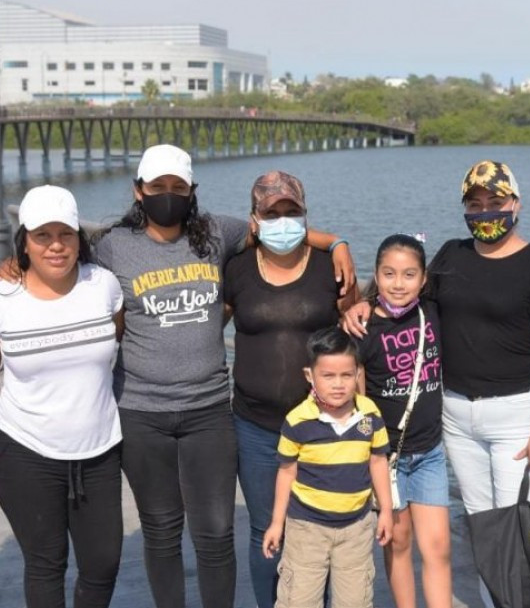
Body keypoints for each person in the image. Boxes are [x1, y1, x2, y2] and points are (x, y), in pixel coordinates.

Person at [90, 143, 356, 608]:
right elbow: (64, 259)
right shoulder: (114, 246)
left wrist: (336, 242)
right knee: (161, 528)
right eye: (158, 187)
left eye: (178, 187)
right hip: (141, 409)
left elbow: (280, 230)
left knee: (215, 532)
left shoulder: (217, 233)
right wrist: (14, 263)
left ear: (192, 191)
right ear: (138, 191)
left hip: (209, 409)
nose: (168, 195)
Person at [342, 161, 530, 608]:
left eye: (496, 202)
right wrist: (363, 305)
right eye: (475, 204)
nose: (486, 212)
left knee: (517, 527)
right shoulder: (451, 256)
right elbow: (404, 295)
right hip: (457, 415)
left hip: (517, 416)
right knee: (483, 526)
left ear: (516, 204)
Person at [0, 185, 125, 608]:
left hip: (99, 451)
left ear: (79, 238)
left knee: (103, 563)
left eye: (66, 234)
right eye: (43, 236)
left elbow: (115, 341)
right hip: (26, 451)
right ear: (25, 241)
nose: (56, 246)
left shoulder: (104, 286)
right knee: (45, 564)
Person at [222, 170, 356, 608]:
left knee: (328, 528)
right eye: (271, 212)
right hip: (256, 428)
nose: (283, 220)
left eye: (291, 211)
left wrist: (365, 419)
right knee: (267, 529)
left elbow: (356, 336)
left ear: (305, 214)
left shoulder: (331, 270)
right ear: (254, 219)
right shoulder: (237, 269)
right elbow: (207, 330)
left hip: (325, 426)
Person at [262, 326, 393, 608]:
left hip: (357, 528)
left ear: (358, 374)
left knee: (355, 601)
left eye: (346, 375)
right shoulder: (297, 421)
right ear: (310, 376)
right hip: (305, 529)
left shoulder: (370, 414)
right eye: (328, 376)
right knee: (299, 600)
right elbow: (286, 472)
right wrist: (276, 523)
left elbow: (378, 462)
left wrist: (386, 511)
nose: (338, 384)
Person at [356, 234, 451, 608]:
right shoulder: (363, 329)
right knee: (398, 542)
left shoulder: (432, 311)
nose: (398, 283)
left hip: (429, 452)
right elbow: (359, 401)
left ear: (424, 279)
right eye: (389, 273)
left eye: (409, 274)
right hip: (386, 460)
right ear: (376, 276)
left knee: (439, 547)